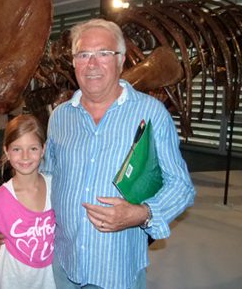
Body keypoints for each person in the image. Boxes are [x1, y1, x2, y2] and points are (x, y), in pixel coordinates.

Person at [44, 19, 196, 289]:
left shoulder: (151, 114)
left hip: (116, 267)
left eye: (103, 53)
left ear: (121, 61)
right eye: (83, 55)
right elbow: (48, 179)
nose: (92, 64)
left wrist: (141, 214)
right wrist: (16, 219)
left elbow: (181, 186)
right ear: (74, 62)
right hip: (64, 262)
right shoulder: (59, 117)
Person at [0, 115, 56, 289]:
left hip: (49, 281)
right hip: (12, 281)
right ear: (6, 151)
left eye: (33, 148)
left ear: (43, 149)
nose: (25, 156)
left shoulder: (55, 188)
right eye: (17, 149)